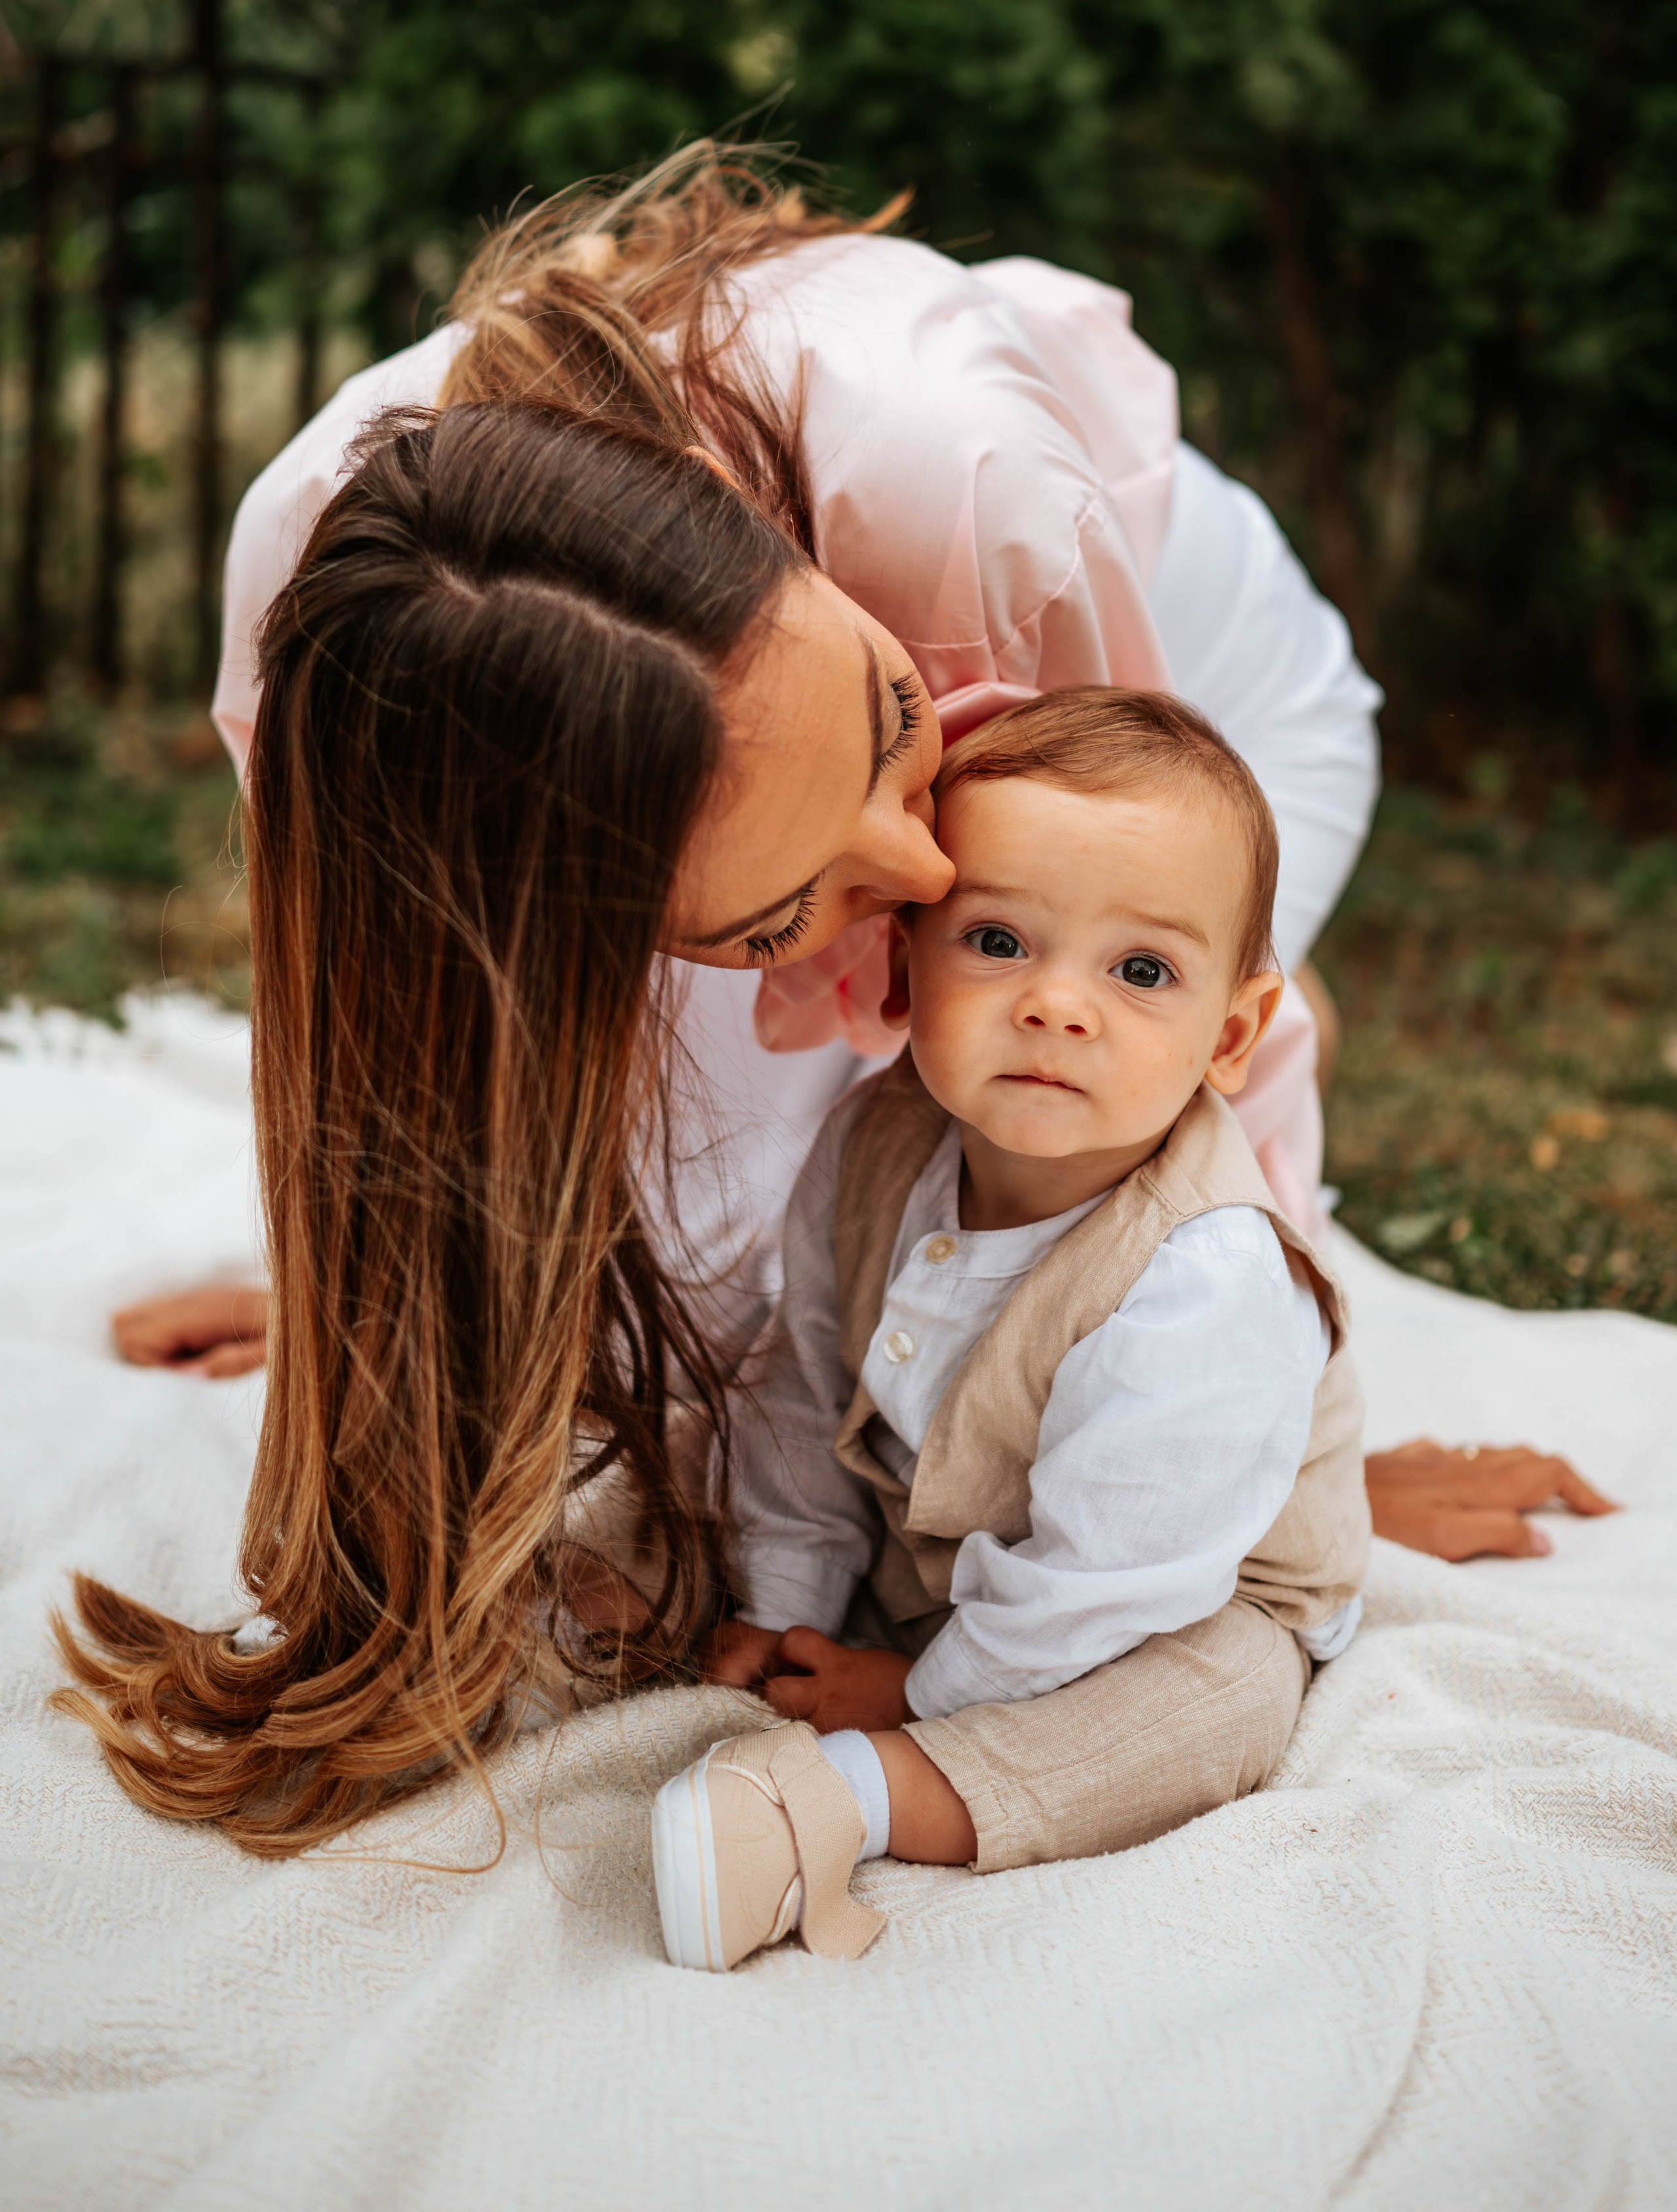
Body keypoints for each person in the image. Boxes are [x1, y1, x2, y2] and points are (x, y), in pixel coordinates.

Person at [111, 152, 1610, 1543]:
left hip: (1191, 670)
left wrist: (1280, 1467)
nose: (919, 877)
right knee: (719, 1247)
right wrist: (377, 1309)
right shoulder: (325, 655)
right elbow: (425, 1034)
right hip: (768, 752)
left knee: (1037, 1059)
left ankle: (1281, 999)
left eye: (892, 721)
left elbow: (1120, 940)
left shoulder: (975, 511)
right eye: (779, 914)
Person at [652, 688, 1368, 1972]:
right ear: (899, 965)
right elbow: (799, 1388)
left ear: (1230, 1035)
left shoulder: (1203, 1277)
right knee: (690, 1436)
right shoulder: (876, 1137)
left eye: (1139, 970)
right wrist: (788, 1600)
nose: (1055, 1005)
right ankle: (630, 1623)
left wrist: (914, 1694)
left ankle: (848, 1799)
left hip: (1163, 1596)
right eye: (995, 940)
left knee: (1217, 1706)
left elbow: (1104, 1580)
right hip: (922, 1525)